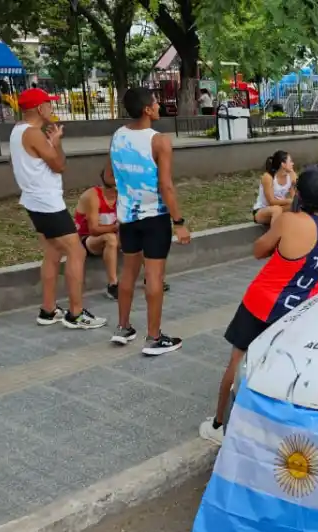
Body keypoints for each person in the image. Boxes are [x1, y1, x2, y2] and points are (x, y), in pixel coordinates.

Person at [199, 166, 318, 444]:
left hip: (260, 303)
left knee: (238, 362)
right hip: (299, 312)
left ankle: (219, 425)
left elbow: (258, 250)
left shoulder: (289, 221)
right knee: (288, 368)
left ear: (300, 195)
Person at [10, 88, 107, 329]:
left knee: (53, 253)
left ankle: (48, 309)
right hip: (47, 202)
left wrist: (52, 144)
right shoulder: (33, 134)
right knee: (77, 252)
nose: (52, 108)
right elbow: (59, 165)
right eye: (49, 104)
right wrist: (56, 143)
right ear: (39, 108)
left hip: (34, 200)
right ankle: (75, 313)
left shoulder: (17, 131)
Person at [105, 87, 191, 355]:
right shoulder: (160, 141)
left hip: (127, 215)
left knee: (128, 272)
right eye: (155, 102)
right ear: (146, 109)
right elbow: (166, 185)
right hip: (154, 217)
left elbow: (110, 175)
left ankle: (123, 327)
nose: (158, 105)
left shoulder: (118, 136)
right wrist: (179, 221)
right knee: (154, 275)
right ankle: (153, 337)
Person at [74, 168, 122, 299]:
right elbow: (93, 229)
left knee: (140, 234)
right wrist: (116, 227)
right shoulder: (93, 196)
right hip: (87, 240)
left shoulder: (123, 196)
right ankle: (113, 285)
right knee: (110, 238)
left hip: (112, 234)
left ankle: (150, 278)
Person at [253, 150, 295, 225]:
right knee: (277, 210)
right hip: (262, 210)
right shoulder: (268, 177)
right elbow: (271, 202)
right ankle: (274, 235)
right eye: (290, 161)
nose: (293, 163)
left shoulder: (292, 175)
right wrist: (288, 201)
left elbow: (294, 196)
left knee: (298, 207)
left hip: (280, 208)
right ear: (283, 164)